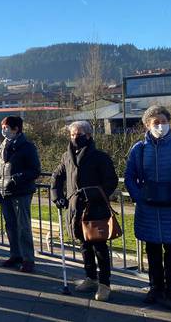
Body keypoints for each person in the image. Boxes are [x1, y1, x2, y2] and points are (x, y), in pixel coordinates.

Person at [125, 105, 171, 309]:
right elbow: (130, 176)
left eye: (164, 121)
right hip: (149, 208)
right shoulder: (139, 149)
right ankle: (155, 287)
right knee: (153, 250)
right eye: (156, 122)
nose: (161, 126)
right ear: (147, 125)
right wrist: (139, 197)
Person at [51, 121, 118, 302]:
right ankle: (90, 277)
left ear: (88, 135)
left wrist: (93, 194)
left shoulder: (100, 157)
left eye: (78, 134)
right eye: (72, 134)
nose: (74, 137)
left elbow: (111, 181)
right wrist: (57, 196)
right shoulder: (67, 156)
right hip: (75, 209)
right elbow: (57, 176)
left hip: (95, 208)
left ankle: (105, 284)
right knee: (84, 246)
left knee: (100, 248)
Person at [0, 115, 41, 273]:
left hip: (21, 191)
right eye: (3, 128)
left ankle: (28, 259)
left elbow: (35, 170)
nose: (3, 130)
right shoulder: (3, 145)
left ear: (16, 129)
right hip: (4, 190)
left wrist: (16, 178)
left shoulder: (27, 146)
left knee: (23, 226)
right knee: (10, 226)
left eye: (6, 128)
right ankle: (15, 254)